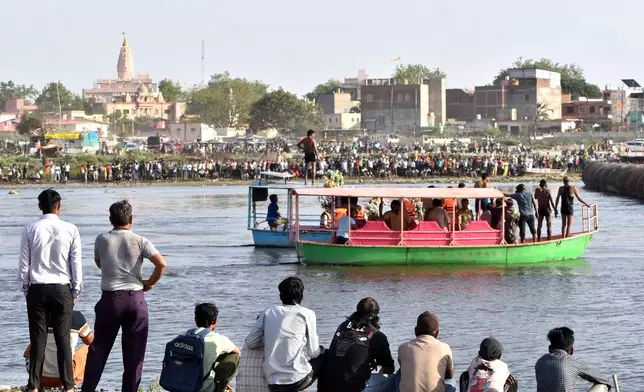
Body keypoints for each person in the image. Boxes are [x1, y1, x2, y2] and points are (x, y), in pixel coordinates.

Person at [82, 200, 167, 392]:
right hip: (135, 299)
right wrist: (149, 283)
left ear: (111, 219)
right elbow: (161, 264)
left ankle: (87, 389)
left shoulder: (101, 239)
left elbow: (99, 262)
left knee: (98, 351)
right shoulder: (140, 240)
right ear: (131, 218)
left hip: (110, 299)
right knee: (134, 357)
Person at [18, 189, 83, 392]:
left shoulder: (30, 229)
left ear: (39, 207)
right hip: (62, 288)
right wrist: (75, 292)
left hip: (37, 288)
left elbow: (24, 267)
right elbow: (76, 264)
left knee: (38, 339)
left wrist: (27, 290)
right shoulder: (71, 229)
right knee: (63, 339)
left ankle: (34, 385)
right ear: (59, 206)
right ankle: (69, 385)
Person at [245, 277, 323, 392]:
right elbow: (313, 353)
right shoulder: (307, 313)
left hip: (273, 381)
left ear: (281, 296)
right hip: (298, 379)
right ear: (301, 295)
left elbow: (251, 342)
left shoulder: (268, 312)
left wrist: (271, 338)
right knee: (325, 355)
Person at [318, 298, 395, 392]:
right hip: (353, 388)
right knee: (393, 380)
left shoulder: (343, 326)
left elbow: (348, 351)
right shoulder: (377, 335)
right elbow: (389, 367)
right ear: (377, 316)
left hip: (326, 386)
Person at [23, 310, 94, 389]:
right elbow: (90, 341)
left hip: (37, 377)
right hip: (66, 378)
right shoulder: (76, 317)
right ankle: (73, 384)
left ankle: (38, 386)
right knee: (90, 348)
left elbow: (27, 353)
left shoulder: (39, 315)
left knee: (32, 346)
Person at [535, 327, 612, 392]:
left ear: (549, 348)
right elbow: (605, 380)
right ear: (571, 350)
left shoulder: (540, 361)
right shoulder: (574, 363)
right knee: (603, 385)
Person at [398, 312, 454, 392]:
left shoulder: (403, 347)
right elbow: (450, 375)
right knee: (451, 382)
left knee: (399, 375)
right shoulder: (445, 347)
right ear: (437, 333)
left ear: (415, 331)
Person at [194, 303, 241, 392]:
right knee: (234, 356)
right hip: (204, 389)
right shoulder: (218, 338)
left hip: (180, 385)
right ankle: (220, 388)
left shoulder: (182, 337)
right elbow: (237, 352)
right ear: (214, 321)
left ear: (195, 320)